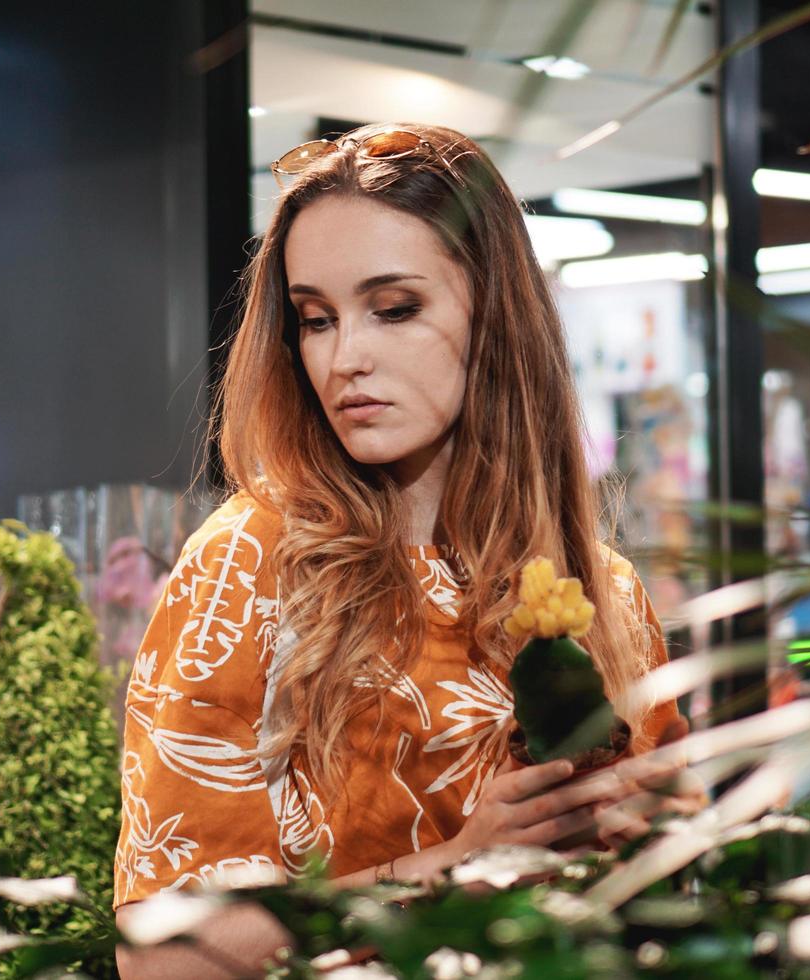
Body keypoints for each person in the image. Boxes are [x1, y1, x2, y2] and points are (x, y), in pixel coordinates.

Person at [114, 122, 696, 978]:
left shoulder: (596, 592)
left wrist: (646, 854)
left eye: (394, 310)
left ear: (493, 314)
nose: (346, 358)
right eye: (315, 320)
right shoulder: (251, 565)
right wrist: (451, 870)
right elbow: (163, 961)